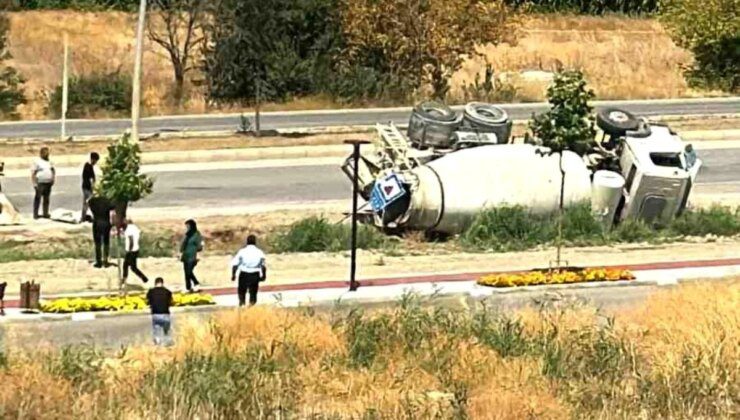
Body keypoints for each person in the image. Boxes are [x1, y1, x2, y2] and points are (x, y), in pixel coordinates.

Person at [231, 234, 267, 306]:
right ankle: (251, 307)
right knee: (253, 293)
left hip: (244, 274)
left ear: (247, 242)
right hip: (255, 274)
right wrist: (263, 275)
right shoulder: (259, 252)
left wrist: (233, 275)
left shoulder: (242, 252)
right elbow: (263, 266)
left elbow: (235, 264)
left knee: (242, 291)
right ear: (255, 242)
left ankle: (242, 304)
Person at [88, 194, 114, 268]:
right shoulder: (107, 201)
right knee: (106, 242)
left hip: (97, 223)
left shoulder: (92, 201)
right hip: (106, 222)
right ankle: (105, 260)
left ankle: (98, 261)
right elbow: (113, 207)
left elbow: (88, 202)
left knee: (98, 243)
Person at [146, 277, 174, 346]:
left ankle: (157, 343)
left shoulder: (151, 292)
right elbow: (170, 302)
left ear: (155, 283)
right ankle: (167, 344)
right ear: (162, 283)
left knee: (156, 331)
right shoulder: (167, 292)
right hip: (165, 314)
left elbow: (148, 301)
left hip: (155, 314)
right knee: (167, 331)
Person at [31, 147, 55, 219]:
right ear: (41, 153)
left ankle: (45, 213)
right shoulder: (37, 162)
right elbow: (33, 173)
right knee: (38, 198)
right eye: (45, 153)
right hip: (40, 183)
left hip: (48, 182)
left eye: (48, 153)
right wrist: (34, 183)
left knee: (46, 199)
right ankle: (35, 214)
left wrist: (53, 178)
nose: (47, 154)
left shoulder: (49, 161)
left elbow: (53, 170)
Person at [122, 218, 149, 284]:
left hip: (131, 250)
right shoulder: (134, 227)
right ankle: (125, 278)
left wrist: (129, 250)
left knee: (131, 267)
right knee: (127, 265)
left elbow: (131, 240)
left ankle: (144, 278)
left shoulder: (129, 229)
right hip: (136, 249)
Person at [180, 219, 203, 293]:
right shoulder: (187, 234)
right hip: (185, 255)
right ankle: (188, 287)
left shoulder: (197, 234)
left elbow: (199, 246)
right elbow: (183, 244)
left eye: (188, 226)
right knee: (186, 272)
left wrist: (198, 253)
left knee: (189, 272)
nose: (187, 227)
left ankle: (196, 283)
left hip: (192, 256)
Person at [80, 152, 100, 223]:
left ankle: (84, 216)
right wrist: (93, 186)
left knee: (87, 202)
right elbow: (89, 178)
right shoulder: (88, 166)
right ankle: (83, 217)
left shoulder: (89, 166)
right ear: (93, 159)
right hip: (87, 187)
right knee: (88, 202)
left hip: (87, 187)